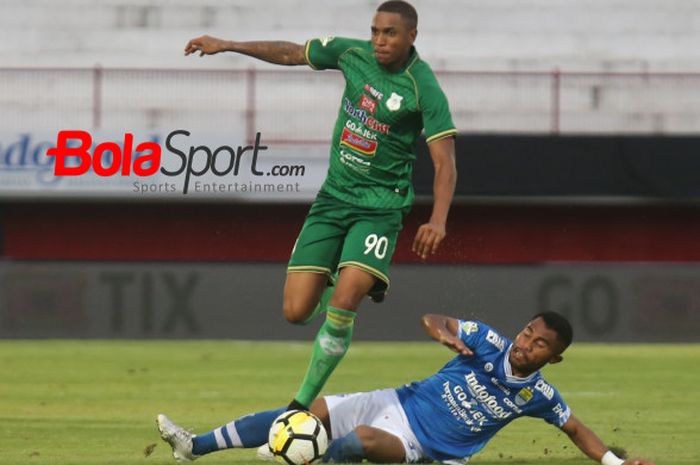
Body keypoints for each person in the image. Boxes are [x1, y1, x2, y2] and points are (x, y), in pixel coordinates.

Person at [184, 0, 458, 412]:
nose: (381, 41)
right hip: (333, 199)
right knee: (296, 312)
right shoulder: (352, 55)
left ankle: (299, 406)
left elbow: (445, 162)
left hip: (379, 209)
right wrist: (227, 44)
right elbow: (292, 53)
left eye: (391, 34)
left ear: (412, 37)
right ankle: (340, 272)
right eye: (376, 32)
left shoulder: (424, 88)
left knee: (344, 303)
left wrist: (438, 219)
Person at [157, 312, 657, 465]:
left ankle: (298, 458)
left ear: (554, 357)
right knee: (305, 415)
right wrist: (441, 333)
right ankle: (193, 446)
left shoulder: (537, 395)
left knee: (359, 444)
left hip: (425, 445)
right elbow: (435, 317)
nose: (527, 344)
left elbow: (575, 429)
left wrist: (614, 463)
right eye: (528, 333)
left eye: (540, 344)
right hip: (399, 399)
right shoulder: (486, 340)